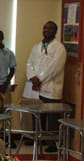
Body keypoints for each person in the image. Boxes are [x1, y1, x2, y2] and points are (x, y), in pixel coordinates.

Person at [26, 21, 66, 152]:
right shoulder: (36, 46)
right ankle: (38, 139)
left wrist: (40, 80)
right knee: (37, 115)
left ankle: (52, 143)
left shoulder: (59, 48)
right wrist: (32, 77)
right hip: (36, 87)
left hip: (51, 88)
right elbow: (29, 63)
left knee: (52, 116)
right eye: (44, 28)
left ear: (55, 31)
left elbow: (54, 68)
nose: (46, 30)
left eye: (49, 28)